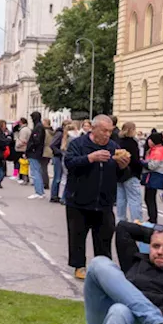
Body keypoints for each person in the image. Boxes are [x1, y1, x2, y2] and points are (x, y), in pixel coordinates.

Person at [63, 115, 125, 279]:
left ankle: (103, 268)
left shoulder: (114, 147)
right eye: (104, 130)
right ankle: (79, 266)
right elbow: (69, 163)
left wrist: (124, 166)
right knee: (77, 235)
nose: (107, 134)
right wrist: (90, 158)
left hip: (104, 201)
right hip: (79, 199)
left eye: (110, 131)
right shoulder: (79, 144)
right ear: (93, 129)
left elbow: (120, 175)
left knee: (104, 236)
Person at [115, 120, 144, 222]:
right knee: (134, 199)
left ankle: (120, 220)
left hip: (119, 174)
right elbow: (135, 160)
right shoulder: (132, 143)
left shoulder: (118, 141)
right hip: (131, 174)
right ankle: (137, 221)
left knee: (121, 199)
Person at [142, 131, 163, 224]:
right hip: (154, 175)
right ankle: (152, 218)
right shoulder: (157, 149)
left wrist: (142, 162)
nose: (148, 141)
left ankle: (152, 219)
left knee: (149, 198)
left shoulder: (157, 151)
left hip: (153, 176)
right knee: (149, 198)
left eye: (150, 139)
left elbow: (152, 165)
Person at [25, 111, 48, 199]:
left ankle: (38, 192)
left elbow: (36, 140)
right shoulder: (40, 126)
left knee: (35, 172)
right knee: (37, 171)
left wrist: (29, 148)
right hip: (37, 151)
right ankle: (40, 191)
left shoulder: (38, 127)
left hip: (34, 152)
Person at [48, 121, 68, 204]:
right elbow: (52, 145)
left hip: (60, 157)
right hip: (58, 157)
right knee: (57, 177)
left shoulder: (64, 134)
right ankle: (54, 195)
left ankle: (56, 194)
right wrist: (60, 152)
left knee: (60, 177)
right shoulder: (60, 134)